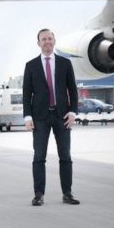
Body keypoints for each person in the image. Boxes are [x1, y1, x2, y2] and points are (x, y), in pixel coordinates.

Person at [23, 29, 80, 206]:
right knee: (39, 157)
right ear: (38, 43)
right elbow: (26, 94)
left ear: (54, 41)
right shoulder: (31, 65)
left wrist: (73, 112)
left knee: (65, 156)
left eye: (49, 38)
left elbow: (73, 90)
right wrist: (27, 116)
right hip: (40, 117)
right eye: (43, 39)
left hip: (62, 116)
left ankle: (67, 194)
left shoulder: (65, 63)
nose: (47, 41)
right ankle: (38, 194)